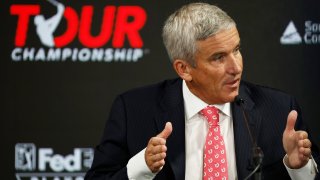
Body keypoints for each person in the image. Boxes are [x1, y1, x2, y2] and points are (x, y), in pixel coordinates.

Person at [85, 2, 319, 180]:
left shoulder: (279, 110)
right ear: (184, 68)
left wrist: (298, 168)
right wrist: (142, 166)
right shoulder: (134, 110)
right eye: (218, 58)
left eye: (236, 50)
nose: (236, 67)